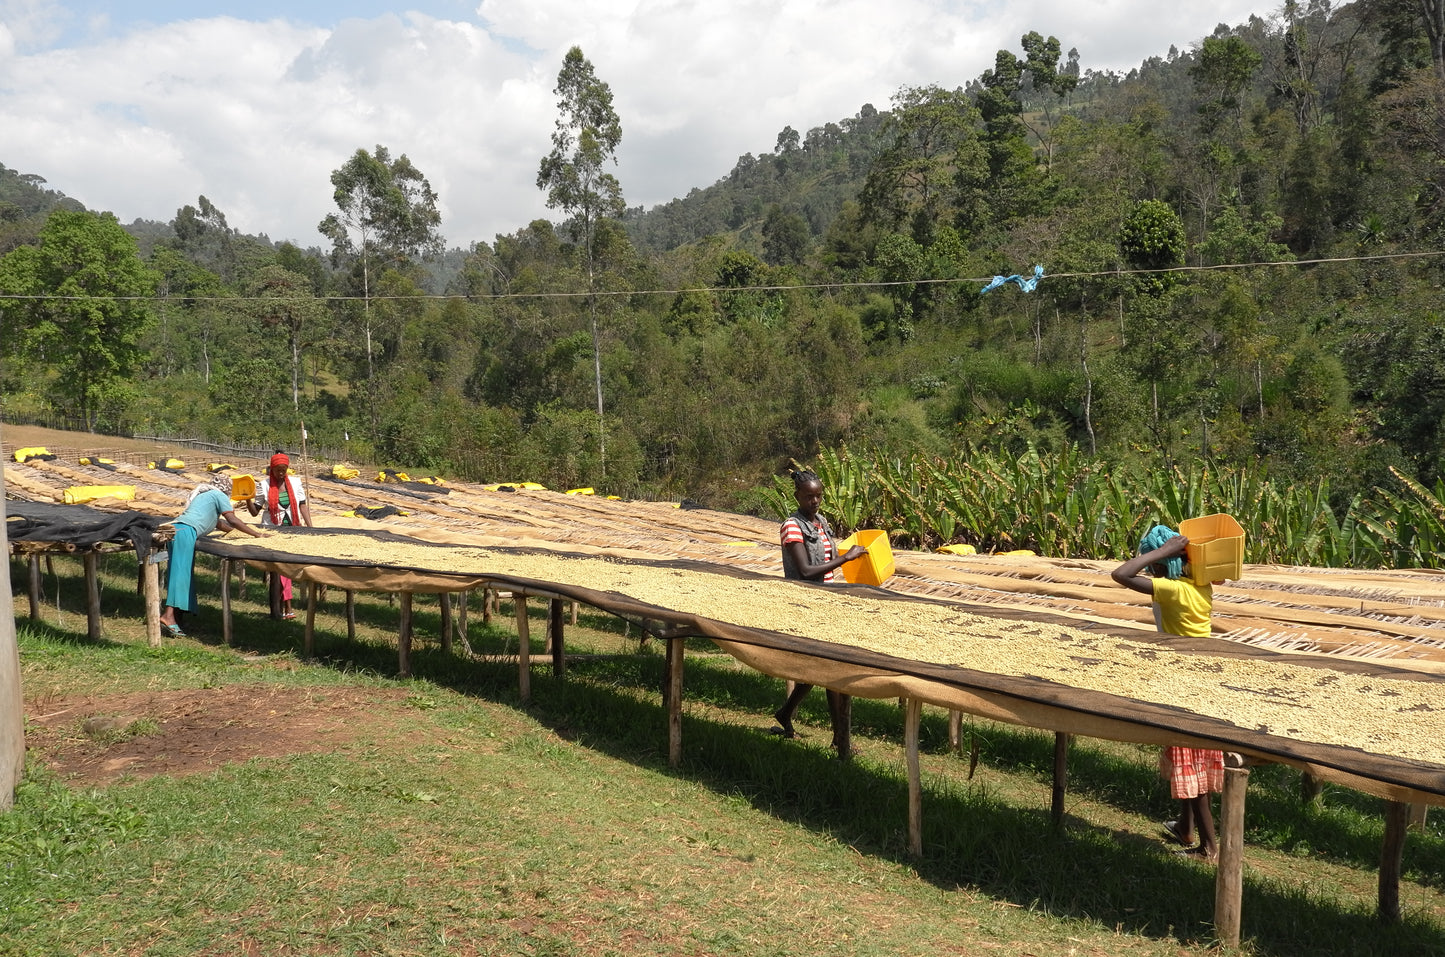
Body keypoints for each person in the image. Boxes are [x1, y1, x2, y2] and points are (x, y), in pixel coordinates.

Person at [1111, 524, 1224, 864]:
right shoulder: (1197, 586)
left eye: (1155, 564)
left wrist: (1162, 552)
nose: (1149, 568)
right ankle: (1185, 827)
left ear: (1164, 564)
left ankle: (1209, 848)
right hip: (1194, 676)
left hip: (1186, 682)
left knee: (1191, 762)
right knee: (1183, 754)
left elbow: (1121, 573)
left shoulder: (1173, 591)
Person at [771, 469, 868, 743]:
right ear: (797, 496)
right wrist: (846, 559)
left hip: (828, 600)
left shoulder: (821, 522)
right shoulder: (792, 526)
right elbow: (805, 570)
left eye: (818, 496)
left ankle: (787, 712)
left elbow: (826, 562)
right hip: (806, 602)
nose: (814, 501)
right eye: (808, 496)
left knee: (819, 667)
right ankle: (840, 738)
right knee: (829, 668)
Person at [159, 472, 269, 638]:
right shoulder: (219, 495)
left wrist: (236, 533)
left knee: (181, 573)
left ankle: (178, 618)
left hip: (176, 530)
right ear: (227, 489)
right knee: (180, 575)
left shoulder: (205, 496)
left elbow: (219, 523)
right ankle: (168, 616)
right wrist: (257, 535)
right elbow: (231, 519)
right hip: (186, 532)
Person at [249, 451, 313, 620]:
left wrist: (310, 527)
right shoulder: (264, 485)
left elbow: (302, 505)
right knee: (279, 569)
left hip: (291, 529)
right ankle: (285, 607)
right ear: (272, 469)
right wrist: (247, 499)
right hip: (272, 531)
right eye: (278, 470)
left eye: (284, 470)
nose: (281, 473)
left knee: (285, 569)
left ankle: (282, 608)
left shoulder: (295, 482)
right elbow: (255, 512)